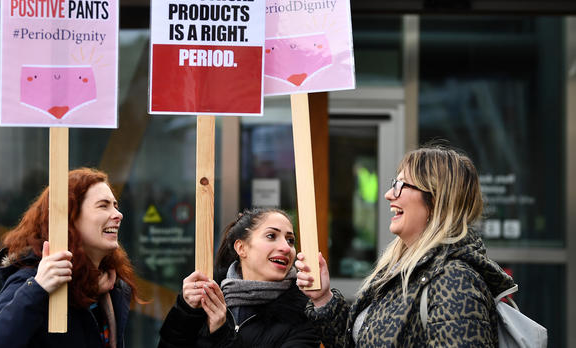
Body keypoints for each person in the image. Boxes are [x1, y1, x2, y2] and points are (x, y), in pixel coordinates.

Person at [296, 146, 515, 347]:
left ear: (436, 200)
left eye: (400, 185)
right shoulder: (405, 269)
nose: (389, 194)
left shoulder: (455, 281)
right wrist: (323, 299)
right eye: (394, 184)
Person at [0, 167, 139, 348]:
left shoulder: (108, 286)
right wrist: (37, 289)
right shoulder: (34, 280)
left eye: (115, 206)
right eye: (103, 205)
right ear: (70, 218)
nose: (118, 215)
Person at [159, 208, 320, 347]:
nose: (286, 247)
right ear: (241, 248)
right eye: (271, 236)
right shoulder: (207, 297)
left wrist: (221, 334)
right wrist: (186, 311)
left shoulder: (304, 314)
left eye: (290, 240)